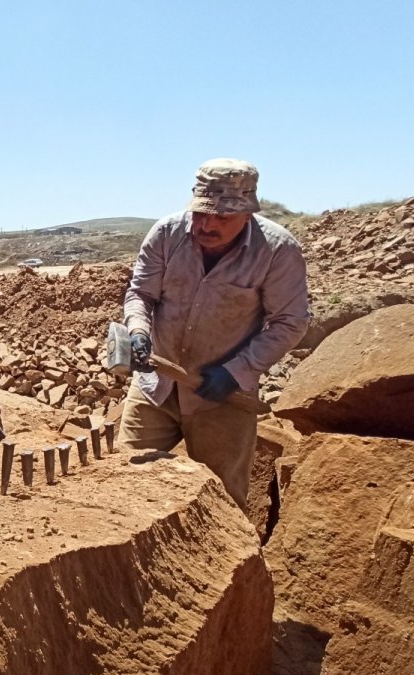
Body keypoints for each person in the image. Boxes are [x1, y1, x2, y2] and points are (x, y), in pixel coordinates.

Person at [116, 158, 310, 509]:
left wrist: (237, 371)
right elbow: (140, 295)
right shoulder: (166, 234)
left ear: (248, 213)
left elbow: (290, 321)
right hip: (155, 388)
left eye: (222, 217)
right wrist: (139, 331)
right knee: (125, 482)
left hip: (222, 398)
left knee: (224, 504)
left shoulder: (277, 251)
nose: (207, 225)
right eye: (202, 213)